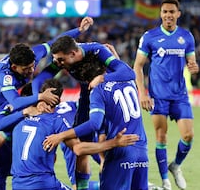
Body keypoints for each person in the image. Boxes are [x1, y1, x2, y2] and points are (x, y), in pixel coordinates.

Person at [0, 17, 94, 190]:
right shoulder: (5, 75)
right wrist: (39, 97)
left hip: (0, 101)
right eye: (26, 69)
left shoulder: (34, 53)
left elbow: (55, 42)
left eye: (32, 66)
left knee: (7, 137)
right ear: (14, 66)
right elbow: (16, 102)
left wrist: (79, 30)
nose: (31, 71)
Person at [43, 55, 149, 190]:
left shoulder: (98, 90)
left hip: (120, 149)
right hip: (141, 150)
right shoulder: (128, 79)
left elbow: (94, 124)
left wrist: (61, 136)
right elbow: (122, 67)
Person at [11, 79, 139, 190]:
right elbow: (79, 149)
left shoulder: (17, 121)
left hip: (17, 184)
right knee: (96, 162)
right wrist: (115, 143)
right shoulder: (55, 120)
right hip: (43, 183)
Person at [133, 0, 199, 190]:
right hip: (158, 96)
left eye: (172, 12)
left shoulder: (186, 37)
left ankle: (176, 165)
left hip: (179, 95)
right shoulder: (149, 37)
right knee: (161, 137)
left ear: (178, 14)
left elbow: (191, 62)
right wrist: (142, 94)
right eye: (165, 12)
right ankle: (165, 181)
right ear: (160, 14)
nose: (168, 15)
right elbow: (137, 66)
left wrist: (193, 66)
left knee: (188, 135)